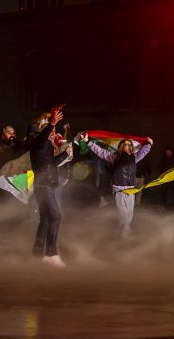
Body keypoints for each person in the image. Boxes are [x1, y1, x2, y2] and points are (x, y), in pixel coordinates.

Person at [78, 132, 152, 240]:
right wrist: (88, 142)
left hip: (130, 191)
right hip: (119, 191)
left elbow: (143, 152)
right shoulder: (114, 158)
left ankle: (124, 234)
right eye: (126, 144)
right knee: (123, 216)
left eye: (130, 145)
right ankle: (124, 239)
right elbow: (100, 151)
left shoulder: (134, 158)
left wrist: (149, 144)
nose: (128, 146)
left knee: (129, 217)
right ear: (122, 147)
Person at [29, 107, 72, 265]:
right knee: (56, 216)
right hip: (44, 184)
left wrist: (66, 153)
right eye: (49, 127)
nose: (53, 131)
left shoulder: (46, 146)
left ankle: (37, 253)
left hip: (48, 184)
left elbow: (51, 164)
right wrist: (51, 123)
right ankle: (51, 253)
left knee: (46, 219)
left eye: (53, 128)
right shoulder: (36, 141)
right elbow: (41, 139)